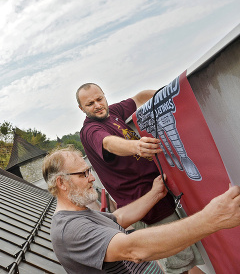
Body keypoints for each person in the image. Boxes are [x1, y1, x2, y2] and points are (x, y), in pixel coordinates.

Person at [43, 146, 240, 274]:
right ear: (62, 183)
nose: (92, 178)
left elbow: (118, 218)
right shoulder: (70, 230)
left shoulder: (79, 213)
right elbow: (133, 249)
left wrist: (155, 194)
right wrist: (212, 219)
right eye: (83, 173)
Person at [76, 83, 202, 273]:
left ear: (104, 96)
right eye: (90, 103)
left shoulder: (113, 112)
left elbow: (139, 97)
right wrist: (136, 147)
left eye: (99, 99)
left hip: (160, 192)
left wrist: (170, 93)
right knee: (179, 263)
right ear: (82, 109)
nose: (97, 105)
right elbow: (108, 143)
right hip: (146, 204)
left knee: (184, 255)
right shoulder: (90, 130)